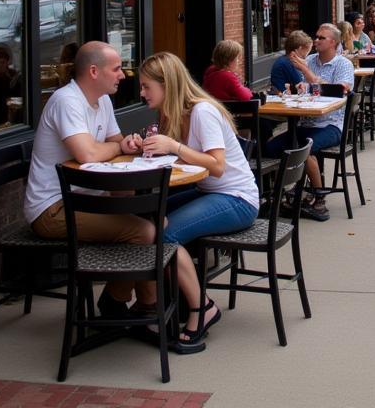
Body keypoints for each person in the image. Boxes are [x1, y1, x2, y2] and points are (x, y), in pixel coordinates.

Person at [24, 41, 202, 349]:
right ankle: (136, 306)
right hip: (52, 210)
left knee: (149, 218)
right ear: (94, 71)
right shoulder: (67, 101)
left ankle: (124, 302)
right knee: (147, 230)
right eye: (117, 68)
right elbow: (88, 153)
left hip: (89, 198)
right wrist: (117, 147)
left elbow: (115, 141)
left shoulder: (102, 101)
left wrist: (129, 143)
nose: (124, 74)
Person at [139, 51, 260, 350]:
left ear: (166, 84)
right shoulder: (171, 113)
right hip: (210, 192)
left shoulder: (202, 111)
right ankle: (167, 302)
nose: (141, 93)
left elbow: (216, 165)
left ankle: (202, 308)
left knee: (165, 234)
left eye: (146, 87)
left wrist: (174, 146)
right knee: (146, 219)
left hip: (237, 198)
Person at [264, 23, 354, 222]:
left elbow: (339, 91)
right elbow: (302, 89)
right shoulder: (310, 59)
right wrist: (295, 89)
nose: (316, 40)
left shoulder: (343, 64)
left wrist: (307, 73)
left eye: (321, 38)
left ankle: (319, 200)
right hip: (304, 123)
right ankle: (278, 195)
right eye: (317, 36)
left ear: (333, 42)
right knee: (269, 148)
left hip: (330, 125)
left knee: (304, 147)